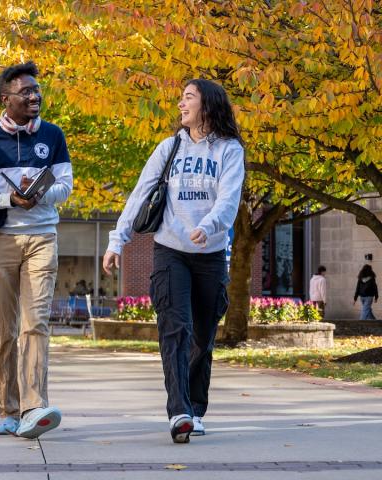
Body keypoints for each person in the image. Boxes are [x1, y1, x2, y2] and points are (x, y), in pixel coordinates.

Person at [103, 79, 244, 444]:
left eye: (188, 98)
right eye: (181, 97)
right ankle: (179, 411)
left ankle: (196, 408)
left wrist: (210, 225)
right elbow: (141, 194)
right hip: (170, 251)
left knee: (202, 336)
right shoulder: (169, 148)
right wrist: (117, 240)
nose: (180, 104)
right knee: (174, 330)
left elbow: (229, 199)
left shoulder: (229, 150)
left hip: (210, 255)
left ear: (208, 105)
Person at [0, 61, 72, 438]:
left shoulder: (53, 136)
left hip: (43, 237)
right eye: (26, 91)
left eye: (37, 90)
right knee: (4, 330)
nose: (35, 96)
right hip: (1, 241)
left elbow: (66, 185)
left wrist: (39, 193)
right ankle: (8, 409)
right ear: (5, 97)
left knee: (36, 323)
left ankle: (34, 408)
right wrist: (9, 199)